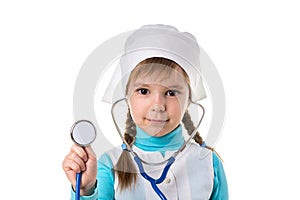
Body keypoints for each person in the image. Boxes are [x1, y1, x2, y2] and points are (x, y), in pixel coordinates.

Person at [63, 24, 228, 199]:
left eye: (171, 93)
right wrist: (86, 190)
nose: (158, 105)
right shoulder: (109, 165)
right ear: (127, 96)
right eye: (143, 91)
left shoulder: (209, 162)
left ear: (189, 100)